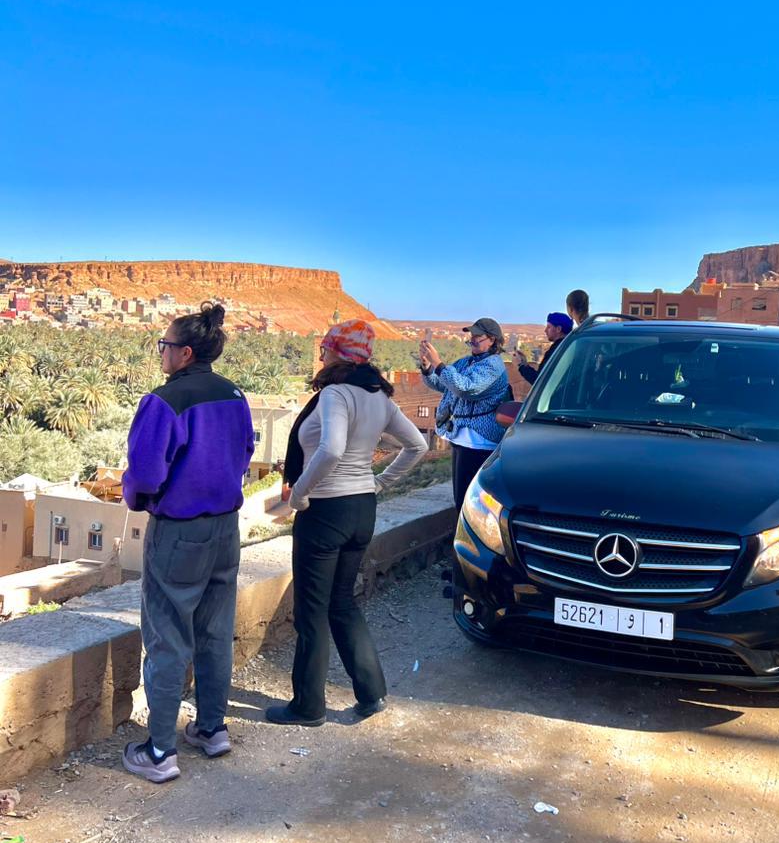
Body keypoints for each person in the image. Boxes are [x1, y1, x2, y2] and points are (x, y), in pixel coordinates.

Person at [267, 320, 426, 728]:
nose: (321, 355)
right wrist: (379, 482)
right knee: (343, 602)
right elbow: (418, 445)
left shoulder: (336, 394)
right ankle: (371, 693)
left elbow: (332, 448)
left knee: (312, 611)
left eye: (324, 348)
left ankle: (307, 706)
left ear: (337, 353)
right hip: (361, 510)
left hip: (326, 511)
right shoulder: (380, 398)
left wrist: (300, 493)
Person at [121, 302, 255, 784]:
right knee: (215, 632)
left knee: (167, 637)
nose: (162, 352)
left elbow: (146, 471)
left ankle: (159, 751)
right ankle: (212, 729)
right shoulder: (234, 395)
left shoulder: (165, 401)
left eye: (166, 345)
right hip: (225, 528)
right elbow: (246, 451)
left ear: (185, 352)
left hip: (179, 532)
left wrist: (137, 495)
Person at [419, 317, 511, 510]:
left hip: (480, 443)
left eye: (478, 336)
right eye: (472, 335)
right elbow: (441, 383)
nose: (472, 339)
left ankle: (468, 538)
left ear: (492, 340)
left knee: (471, 503)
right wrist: (428, 367)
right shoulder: (466, 361)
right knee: (460, 499)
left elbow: (466, 388)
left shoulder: (493, 366)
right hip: (461, 437)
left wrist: (440, 364)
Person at [514, 311, 573, 384]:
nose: (545, 330)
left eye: (549, 327)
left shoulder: (557, 350)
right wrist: (525, 363)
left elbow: (539, 381)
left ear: (558, 329)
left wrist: (521, 366)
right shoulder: (570, 346)